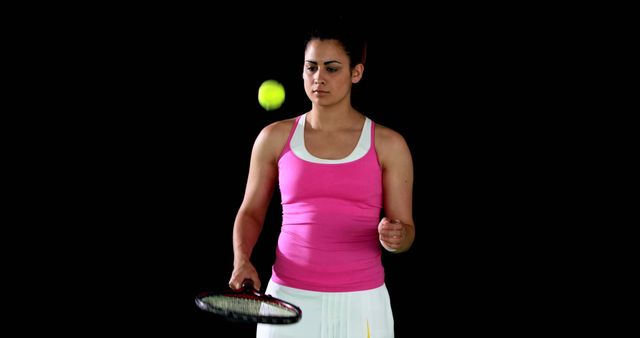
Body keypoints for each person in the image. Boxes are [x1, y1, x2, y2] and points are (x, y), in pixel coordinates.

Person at [228, 17, 415, 338]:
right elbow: (251, 211)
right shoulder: (274, 137)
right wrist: (242, 259)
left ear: (356, 73)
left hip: (362, 303)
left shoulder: (389, 144)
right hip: (286, 299)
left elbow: (406, 231)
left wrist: (396, 238)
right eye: (311, 67)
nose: (318, 78)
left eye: (331, 68)